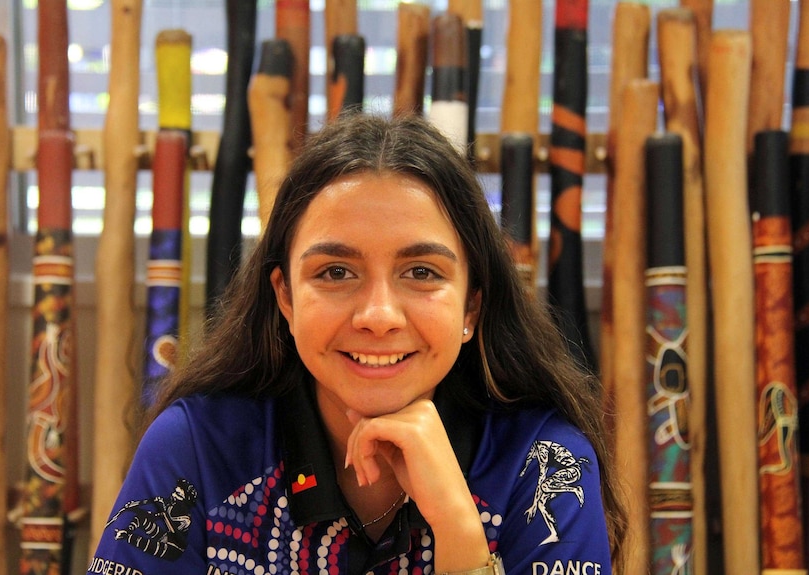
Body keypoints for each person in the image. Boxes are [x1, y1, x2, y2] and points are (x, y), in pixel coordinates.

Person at [87, 113, 626, 575]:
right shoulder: (195, 448)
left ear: (471, 307)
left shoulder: (546, 463)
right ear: (287, 300)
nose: (378, 316)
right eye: (336, 271)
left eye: (420, 271)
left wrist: (460, 528)